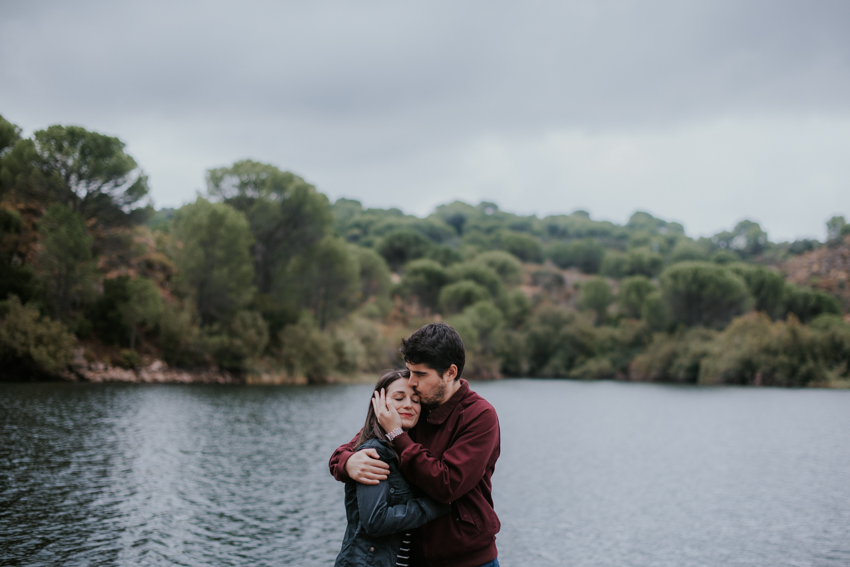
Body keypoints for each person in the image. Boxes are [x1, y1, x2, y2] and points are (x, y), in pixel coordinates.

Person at [330, 323, 501, 567]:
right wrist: (348, 463)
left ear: (450, 373)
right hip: (413, 559)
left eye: (420, 374)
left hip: (469, 561)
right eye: (410, 372)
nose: (412, 383)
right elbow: (353, 446)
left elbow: (446, 486)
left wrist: (397, 434)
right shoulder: (415, 407)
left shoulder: (480, 416)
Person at [334, 368, 450, 567]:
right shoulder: (374, 451)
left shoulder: (407, 449)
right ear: (379, 404)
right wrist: (434, 506)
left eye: (415, 400)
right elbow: (375, 520)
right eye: (399, 398)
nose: (408, 405)